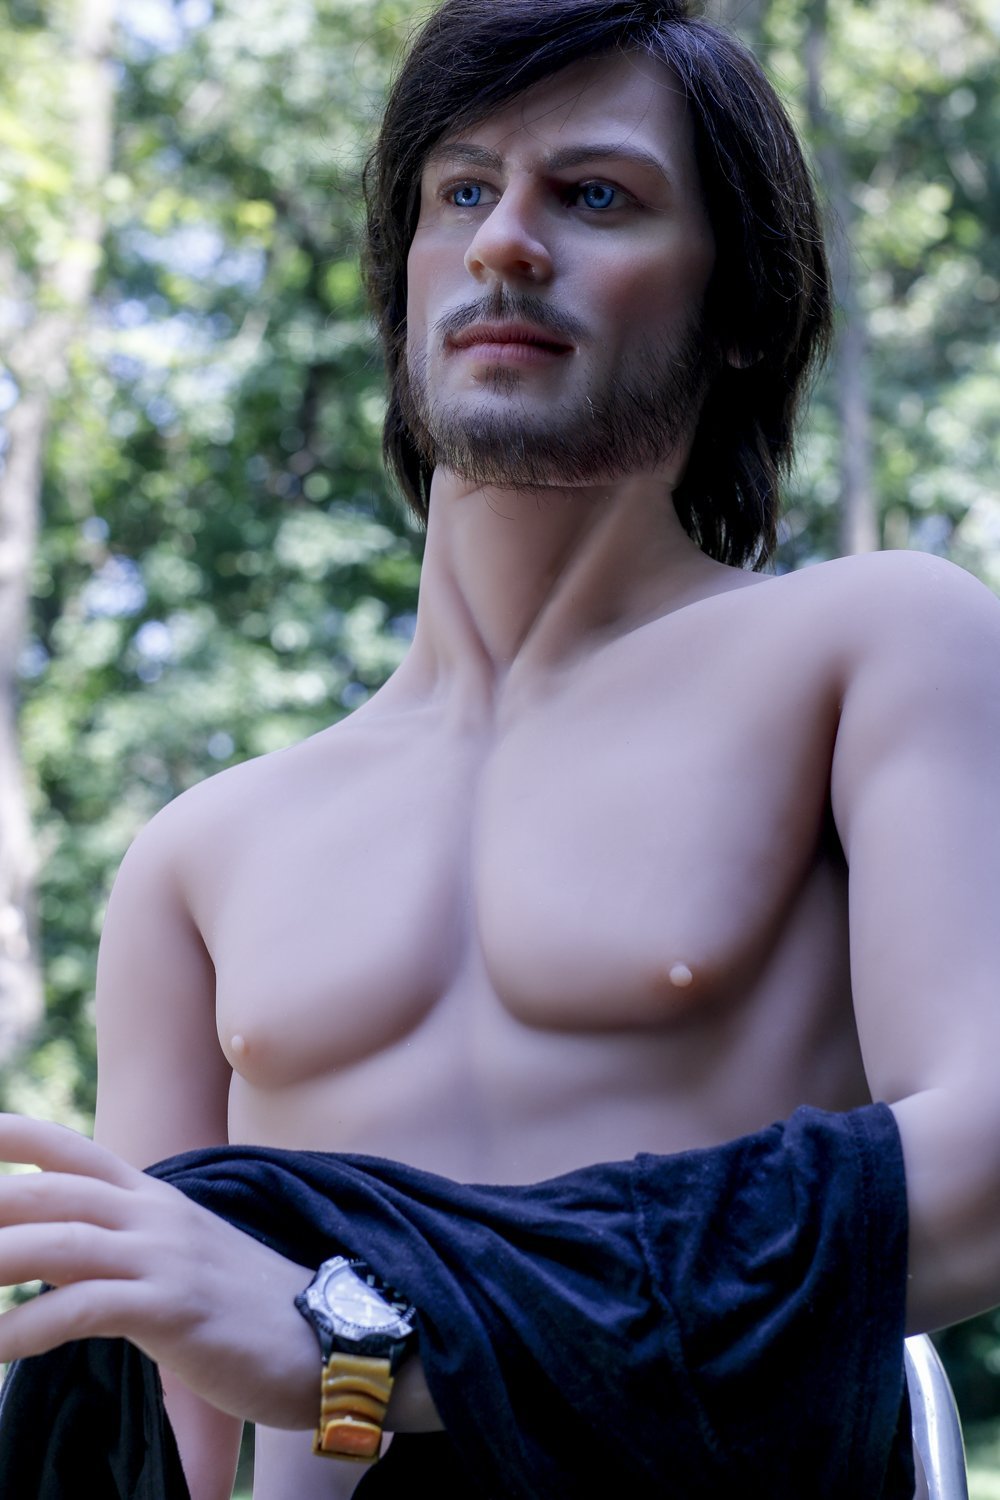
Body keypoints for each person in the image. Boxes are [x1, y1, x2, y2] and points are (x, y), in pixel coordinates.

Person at [1, 1, 999, 1496]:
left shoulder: (877, 648)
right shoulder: (199, 858)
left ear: (740, 302)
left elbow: (987, 1166)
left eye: (593, 195)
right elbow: (177, 1417)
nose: (506, 243)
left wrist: (375, 1349)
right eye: (462, 190)